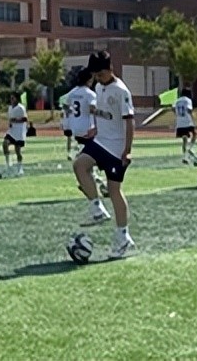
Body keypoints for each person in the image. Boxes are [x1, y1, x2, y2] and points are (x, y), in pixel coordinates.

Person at [72, 50, 135, 258]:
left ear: (110, 69)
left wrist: (127, 150)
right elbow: (103, 113)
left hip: (116, 148)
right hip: (100, 141)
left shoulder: (121, 91)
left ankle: (123, 236)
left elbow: (129, 121)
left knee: (114, 190)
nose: (97, 78)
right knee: (79, 165)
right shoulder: (99, 87)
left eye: (100, 74)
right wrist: (95, 129)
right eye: (95, 75)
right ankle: (97, 209)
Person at [63, 69, 97, 160]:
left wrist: (72, 113)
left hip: (74, 126)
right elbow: (92, 109)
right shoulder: (90, 94)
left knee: (86, 148)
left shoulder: (73, 92)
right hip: (87, 127)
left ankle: (77, 153)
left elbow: (65, 106)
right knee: (95, 150)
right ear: (89, 80)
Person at [1, 93, 29, 177]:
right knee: (5, 143)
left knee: (18, 151)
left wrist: (15, 120)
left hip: (19, 131)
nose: (11, 100)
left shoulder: (21, 108)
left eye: (13, 98)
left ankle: (20, 168)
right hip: (12, 131)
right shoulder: (10, 108)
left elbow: (25, 119)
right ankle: (8, 163)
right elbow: (10, 118)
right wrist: (10, 122)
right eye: (11, 98)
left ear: (17, 99)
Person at [173, 88, 197, 165]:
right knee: (195, 134)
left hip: (179, 123)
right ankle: (190, 148)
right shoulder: (188, 100)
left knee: (184, 140)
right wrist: (194, 119)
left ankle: (185, 158)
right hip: (187, 121)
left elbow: (173, 109)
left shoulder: (177, 101)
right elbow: (189, 110)